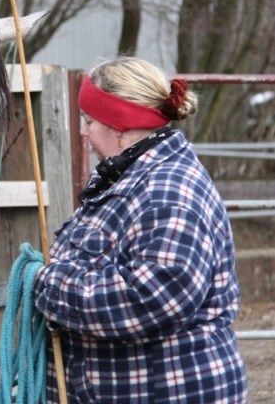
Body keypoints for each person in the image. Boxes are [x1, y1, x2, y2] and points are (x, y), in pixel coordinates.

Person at [33, 57, 247, 403]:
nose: (84, 131)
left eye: (89, 120)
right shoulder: (127, 179)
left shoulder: (169, 190)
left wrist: (50, 286)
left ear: (120, 125)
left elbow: (155, 298)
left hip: (169, 392)